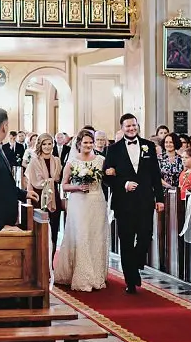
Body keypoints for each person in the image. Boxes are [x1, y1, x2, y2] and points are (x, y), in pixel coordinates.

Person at [103, 114, 166, 294]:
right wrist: (124, 184)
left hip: (145, 199)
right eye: (127, 126)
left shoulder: (149, 146)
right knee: (127, 240)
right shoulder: (113, 149)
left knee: (146, 235)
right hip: (124, 202)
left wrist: (159, 199)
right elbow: (106, 177)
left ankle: (137, 261)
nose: (131, 128)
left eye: (134, 125)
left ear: (137, 126)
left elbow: (155, 174)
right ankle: (130, 280)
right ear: (122, 128)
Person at [55, 130, 110, 291]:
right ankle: (82, 276)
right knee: (81, 236)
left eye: (90, 142)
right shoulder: (72, 161)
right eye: (85, 142)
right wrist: (77, 187)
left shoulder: (101, 160)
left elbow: (107, 179)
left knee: (96, 236)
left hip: (97, 201)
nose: (88, 145)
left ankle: (96, 275)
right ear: (79, 144)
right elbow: (64, 185)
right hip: (79, 203)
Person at [27, 133, 65, 253]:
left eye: (49, 144)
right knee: (40, 232)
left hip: (54, 197)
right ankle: (39, 264)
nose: (47, 147)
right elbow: (31, 183)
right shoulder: (34, 162)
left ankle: (50, 266)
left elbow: (59, 179)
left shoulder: (57, 161)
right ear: (40, 145)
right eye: (44, 144)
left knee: (53, 231)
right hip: (39, 198)